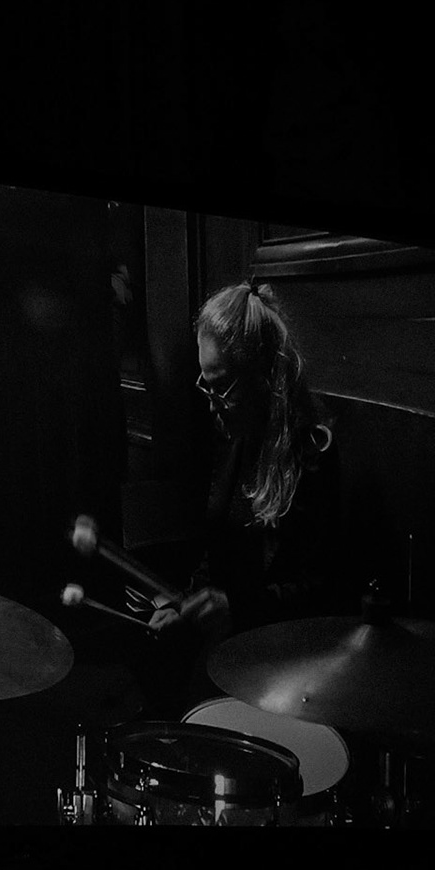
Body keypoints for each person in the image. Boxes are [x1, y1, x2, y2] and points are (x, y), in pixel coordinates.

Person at [141, 280, 346, 697]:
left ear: (263, 377)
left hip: (290, 665)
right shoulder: (235, 436)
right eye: (206, 384)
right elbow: (216, 549)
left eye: (222, 387)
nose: (212, 403)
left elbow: (324, 590)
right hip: (232, 651)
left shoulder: (312, 454)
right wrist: (188, 604)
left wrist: (236, 608)